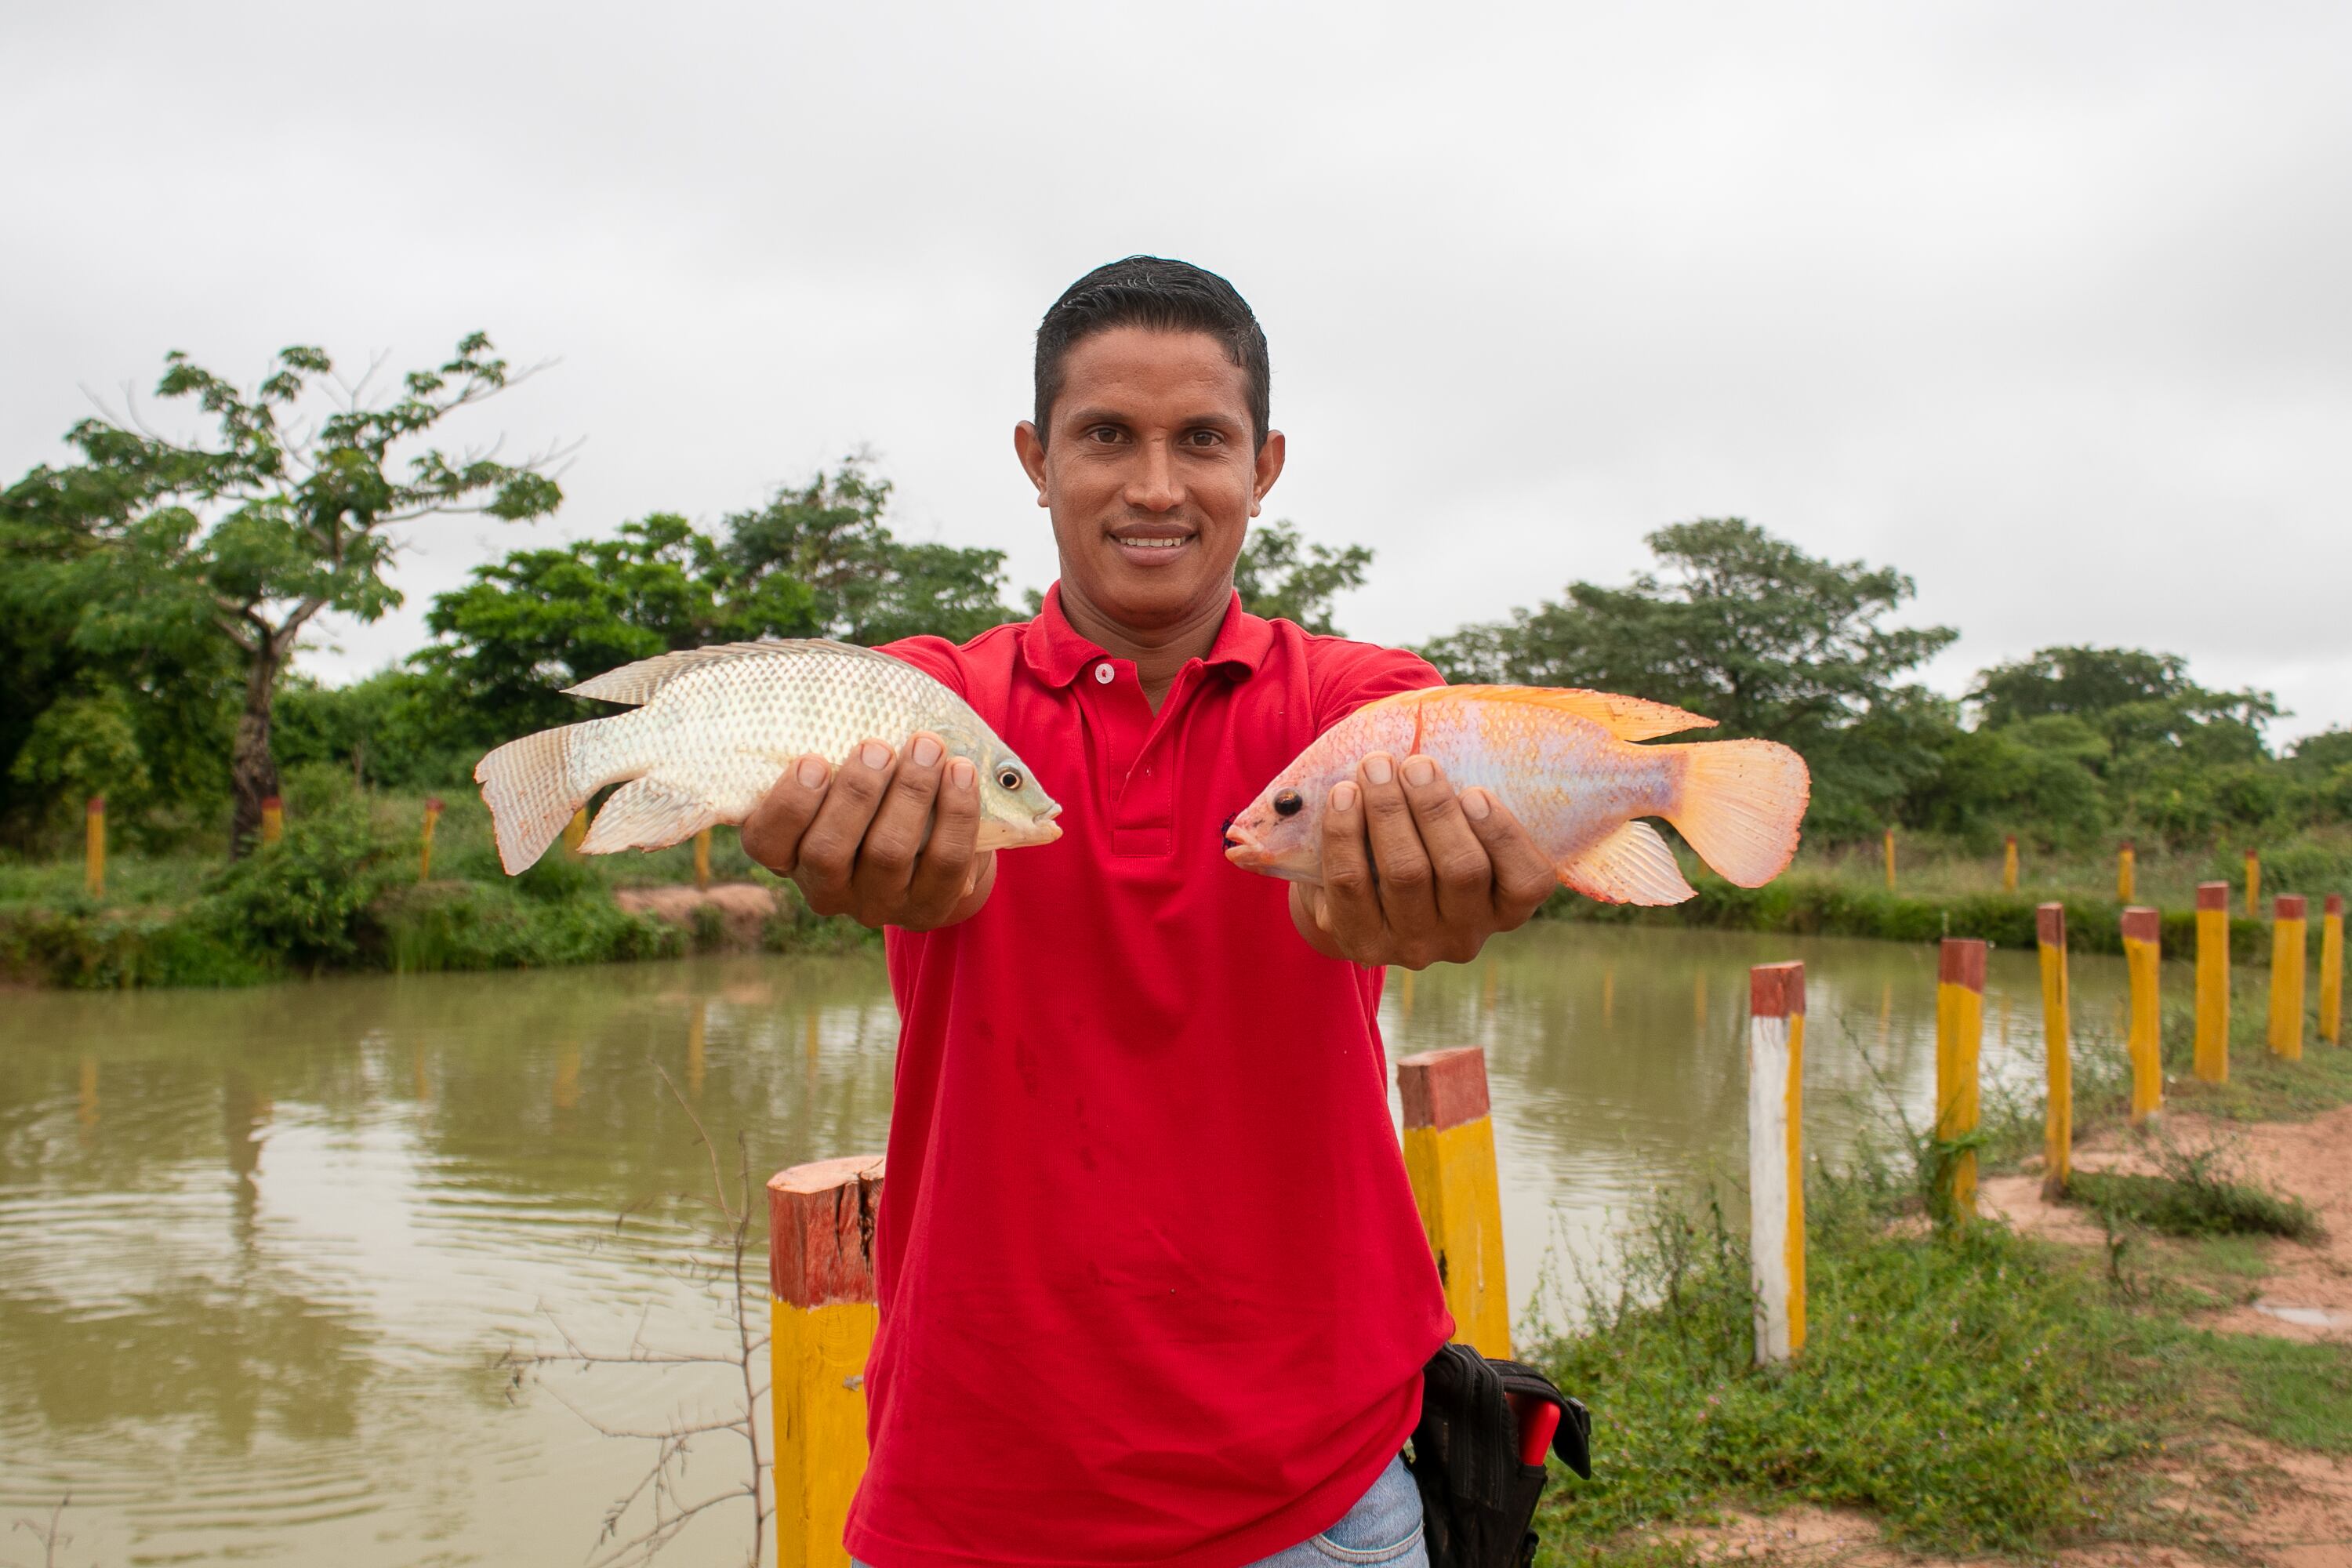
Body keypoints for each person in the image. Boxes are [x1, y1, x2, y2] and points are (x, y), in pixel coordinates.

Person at [742, 256, 1557, 1567]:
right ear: (1036, 455)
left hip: (1321, 1494)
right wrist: (850, 858)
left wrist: (1399, 909)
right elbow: (837, 791)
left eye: (1204, 441)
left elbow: (1371, 914)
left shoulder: (1365, 710)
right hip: (973, 1489)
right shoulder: (926, 708)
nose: (1158, 486)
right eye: (1107, 435)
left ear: (1267, 463)